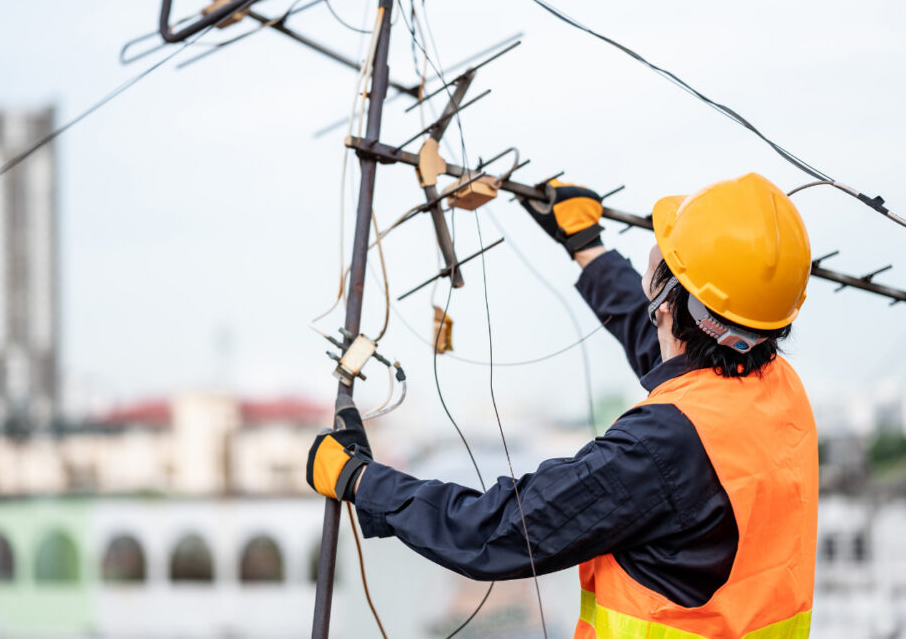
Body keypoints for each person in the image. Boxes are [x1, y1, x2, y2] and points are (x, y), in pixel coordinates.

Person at [306, 173, 818, 639]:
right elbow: (670, 346)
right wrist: (588, 248)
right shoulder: (777, 390)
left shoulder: (661, 448)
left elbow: (499, 530)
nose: (655, 249)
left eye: (666, 249)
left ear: (666, 299)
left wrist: (361, 480)